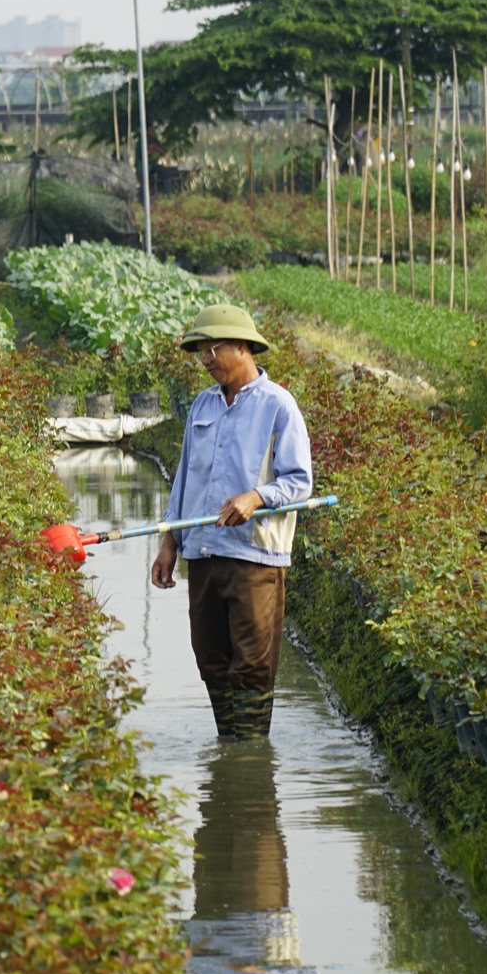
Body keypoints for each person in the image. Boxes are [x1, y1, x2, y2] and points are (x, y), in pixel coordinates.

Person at [150, 304, 312, 740]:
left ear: (242, 347)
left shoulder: (278, 406)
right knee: (211, 657)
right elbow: (184, 477)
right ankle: (229, 744)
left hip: (254, 556)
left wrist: (257, 496)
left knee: (253, 663)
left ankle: (251, 754)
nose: (205, 361)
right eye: (200, 353)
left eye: (212, 350)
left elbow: (300, 482)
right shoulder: (203, 405)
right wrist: (170, 541)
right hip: (202, 552)